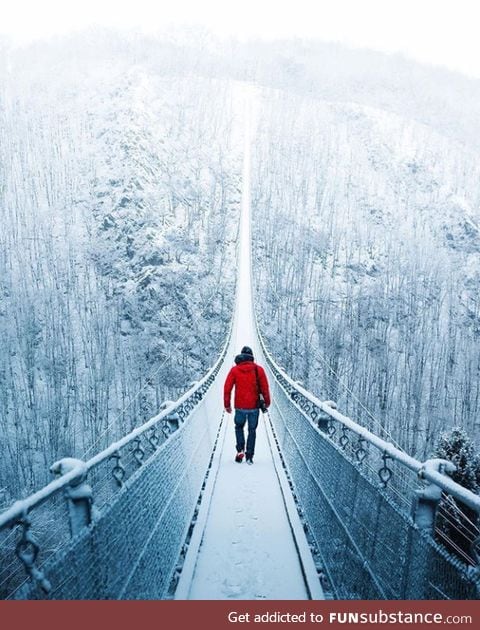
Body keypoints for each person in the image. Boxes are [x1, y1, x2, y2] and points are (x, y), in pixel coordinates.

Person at [223, 346, 271, 464]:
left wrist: (227, 405)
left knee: (239, 427)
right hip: (254, 407)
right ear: (252, 357)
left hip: (240, 406)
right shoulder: (258, 370)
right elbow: (265, 388)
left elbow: (227, 388)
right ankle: (249, 455)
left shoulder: (234, 370)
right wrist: (267, 402)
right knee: (252, 430)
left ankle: (240, 450)